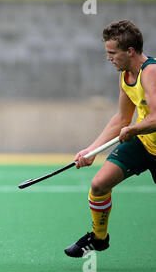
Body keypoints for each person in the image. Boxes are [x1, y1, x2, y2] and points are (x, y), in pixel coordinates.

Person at [64, 20, 156, 258]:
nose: (109, 58)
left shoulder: (151, 72)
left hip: (144, 135)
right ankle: (99, 238)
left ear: (130, 51)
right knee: (99, 185)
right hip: (145, 143)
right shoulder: (126, 75)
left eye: (112, 53)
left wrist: (135, 129)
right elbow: (121, 119)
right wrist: (91, 150)